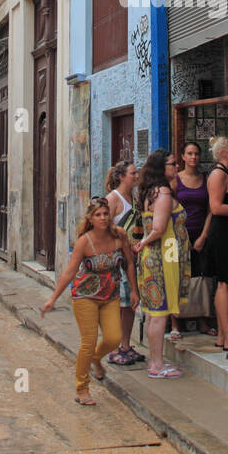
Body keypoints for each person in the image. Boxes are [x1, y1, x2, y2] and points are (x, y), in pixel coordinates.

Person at [41, 195, 138, 405]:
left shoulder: (119, 235)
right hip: (85, 296)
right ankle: (82, 388)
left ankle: (96, 358)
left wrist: (134, 291)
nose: (103, 218)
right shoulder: (84, 242)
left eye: (105, 214)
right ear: (90, 218)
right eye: (98, 215)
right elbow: (69, 272)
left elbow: (129, 264)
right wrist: (53, 298)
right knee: (88, 340)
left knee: (114, 338)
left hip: (111, 295)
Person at [133, 150, 191, 379]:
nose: (177, 166)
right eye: (173, 163)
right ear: (161, 167)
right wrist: (144, 242)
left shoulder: (150, 192)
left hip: (154, 257)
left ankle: (156, 361)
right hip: (163, 257)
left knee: (152, 313)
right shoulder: (163, 192)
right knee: (159, 313)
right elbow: (158, 228)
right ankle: (157, 364)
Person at [104, 161, 145, 366]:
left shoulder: (134, 198)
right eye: (132, 173)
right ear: (121, 177)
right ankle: (117, 346)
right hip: (119, 260)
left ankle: (126, 345)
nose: (136, 176)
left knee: (129, 304)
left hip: (133, 259)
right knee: (119, 305)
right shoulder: (113, 199)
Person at [172, 141, 213, 337]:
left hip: (201, 235)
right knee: (178, 277)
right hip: (179, 235)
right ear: (182, 156)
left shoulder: (206, 179)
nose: (193, 157)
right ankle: (176, 323)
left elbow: (210, 210)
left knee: (202, 277)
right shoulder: (175, 181)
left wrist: (204, 235)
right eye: (189, 153)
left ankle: (203, 320)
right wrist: (180, 236)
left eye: (196, 153)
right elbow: (169, 209)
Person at [205, 135, 228, 351]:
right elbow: (216, 207)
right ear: (225, 152)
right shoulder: (218, 174)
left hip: (225, 230)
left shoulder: (224, 173)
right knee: (224, 284)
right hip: (222, 230)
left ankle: (222, 336)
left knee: (224, 284)